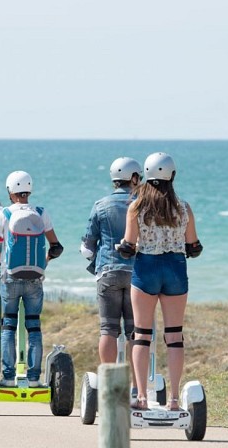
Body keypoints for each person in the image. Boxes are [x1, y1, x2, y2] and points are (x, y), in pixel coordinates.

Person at [117, 152, 203, 411]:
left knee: (142, 335)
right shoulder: (183, 207)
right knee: (174, 336)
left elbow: (129, 244)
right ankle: (175, 399)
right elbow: (194, 245)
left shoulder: (136, 207)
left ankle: (142, 397)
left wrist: (124, 247)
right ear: (172, 175)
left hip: (147, 267)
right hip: (176, 268)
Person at [0, 170, 64, 388]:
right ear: (29, 189)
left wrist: (0, 259)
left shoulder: (5, 214)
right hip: (35, 279)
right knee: (33, 327)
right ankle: (34, 378)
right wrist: (42, 264)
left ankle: (8, 377)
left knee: (8, 325)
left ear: (10, 191)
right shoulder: (41, 212)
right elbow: (56, 247)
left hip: (10, 277)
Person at [80, 157, 142, 396]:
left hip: (107, 271)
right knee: (136, 332)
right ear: (134, 178)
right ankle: (137, 388)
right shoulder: (142, 204)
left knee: (108, 329)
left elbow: (87, 247)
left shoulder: (100, 204)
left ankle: (108, 384)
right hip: (138, 274)